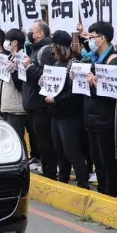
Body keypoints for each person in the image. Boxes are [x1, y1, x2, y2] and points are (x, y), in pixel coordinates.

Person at [82, 21, 117, 198]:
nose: (90, 40)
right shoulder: (92, 59)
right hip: (91, 117)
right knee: (97, 159)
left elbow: (112, 93)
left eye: (93, 37)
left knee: (107, 160)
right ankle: (102, 190)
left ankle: (110, 192)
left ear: (104, 38)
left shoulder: (114, 61)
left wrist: (94, 84)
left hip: (106, 119)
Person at [43, 31, 89, 188]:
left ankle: (83, 183)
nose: (51, 48)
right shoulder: (56, 62)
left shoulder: (73, 64)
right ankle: (62, 180)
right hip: (56, 114)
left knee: (71, 151)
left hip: (69, 116)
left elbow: (75, 95)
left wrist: (56, 99)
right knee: (60, 150)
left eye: (53, 45)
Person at [22, 20, 58, 181]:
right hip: (33, 103)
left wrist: (29, 67)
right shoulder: (35, 50)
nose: (30, 33)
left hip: (41, 104)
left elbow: (46, 76)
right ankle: (46, 167)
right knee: (39, 140)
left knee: (45, 141)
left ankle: (50, 171)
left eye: (32, 30)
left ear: (40, 34)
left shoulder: (46, 51)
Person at [0, 28, 29, 145]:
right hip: (8, 104)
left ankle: (22, 162)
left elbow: (21, 85)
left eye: (7, 40)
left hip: (16, 107)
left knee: (17, 139)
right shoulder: (10, 57)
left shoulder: (22, 58)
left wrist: (13, 71)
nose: (5, 43)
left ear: (15, 43)